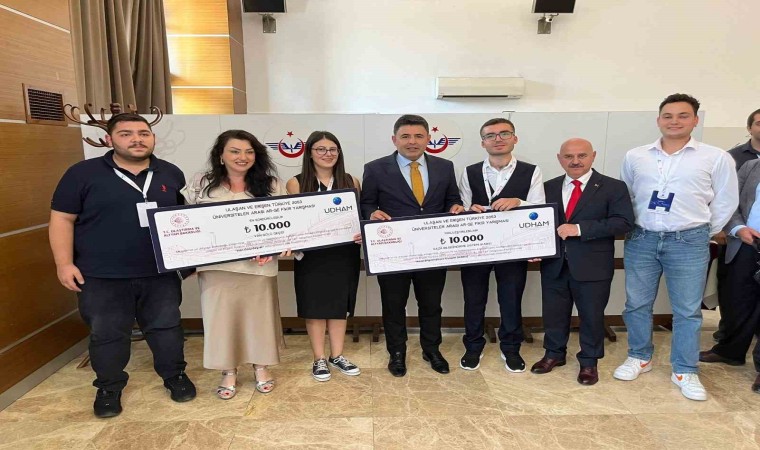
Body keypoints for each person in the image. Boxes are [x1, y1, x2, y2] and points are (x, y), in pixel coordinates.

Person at [49, 113, 196, 418]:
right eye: (126, 134)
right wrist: (64, 264)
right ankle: (109, 388)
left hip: (160, 273)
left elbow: (184, 220)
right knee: (107, 334)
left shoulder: (171, 173)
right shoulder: (82, 173)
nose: (136, 139)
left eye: (143, 133)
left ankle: (175, 376)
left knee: (167, 328)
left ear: (153, 138)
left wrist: (190, 258)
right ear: (109, 139)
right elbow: (62, 218)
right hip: (101, 275)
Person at [615, 93, 739, 401]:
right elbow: (627, 195)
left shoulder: (716, 157)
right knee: (636, 304)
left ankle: (685, 369)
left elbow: (726, 200)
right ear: (658, 120)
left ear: (695, 120)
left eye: (683, 115)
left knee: (687, 310)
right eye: (668, 116)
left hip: (689, 241)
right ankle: (639, 356)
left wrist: (702, 231)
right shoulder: (636, 156)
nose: (674, 121)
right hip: (642, 238)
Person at [183, 130, 286, 399]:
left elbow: (284, 223)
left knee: (260, 320)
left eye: (249, 152)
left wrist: (274, 248)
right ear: (221, 155)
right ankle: (228, 371)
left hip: (259, 268)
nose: (243, 157)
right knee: (221, 321)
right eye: (235, 151)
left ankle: (261, 367)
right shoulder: (201, 183)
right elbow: (185, 224)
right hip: (217, 269)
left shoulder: (271, 184)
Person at [360, 114, 464, 377]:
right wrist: (371, 213)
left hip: (432, 251)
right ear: (394, 139)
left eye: (418, 136)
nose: (412, 141)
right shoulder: (375, 168)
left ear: (428, 138)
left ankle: (432, 349)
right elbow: (367, 203)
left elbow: (452, 199)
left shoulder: (445, 167)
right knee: (393, 305)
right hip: (393, 251)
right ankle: (397, 353)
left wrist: (455, 207)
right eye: (405, 136)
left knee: (431, 304)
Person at [533, 138, 634, 385]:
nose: (575, 161)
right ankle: (554, 354)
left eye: (582, 155)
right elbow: (536, 222)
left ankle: (589, 361)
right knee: (554, 313)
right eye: (569, 156)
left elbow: (623, 222)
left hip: (593, 265)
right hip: (555, 264)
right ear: (560, 159)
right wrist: (533, 246)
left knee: (591, 315)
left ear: (593, 156)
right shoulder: (547, 187)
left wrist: (579, 228)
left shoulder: (613, 187)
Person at [457, 118, 545, 372]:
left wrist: (519, 202)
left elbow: (540, 209)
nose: (498, 139)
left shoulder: (531, 171)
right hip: (476, 246)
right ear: (482, 142)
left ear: (514, 138)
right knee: (473, 299)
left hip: (513, 246)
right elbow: (461, 207)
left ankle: (511, 348)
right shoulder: (469, 171)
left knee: (511, 298)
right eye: (491, 135)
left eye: (504, 133)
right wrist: (468, 210)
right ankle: (473, 346)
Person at [286, 131, 363, 382]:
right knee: (315, 306)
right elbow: (294, 222)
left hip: (344, 254)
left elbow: (358, 218)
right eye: (320, 149)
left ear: (339, 153)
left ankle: (337, 355)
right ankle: (319, 358)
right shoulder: (296, 183)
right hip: (312, 257)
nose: (327, 154)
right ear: (309, 153)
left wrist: (362, 233)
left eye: (332, 149)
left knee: (340, 306)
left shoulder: (351, 180)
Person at [699, 157, 760, 394]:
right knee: (738, 300)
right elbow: (730, 202)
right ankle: (730, 351)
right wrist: (738, 228)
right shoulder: (751, 166)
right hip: (746, 243)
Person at [711, 108, 760, 343]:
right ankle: (730, 344)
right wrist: (732, 228)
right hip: (742, 239)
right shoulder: (736, 159)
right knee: (735, 293)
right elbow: (726, 199)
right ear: (749, 127)